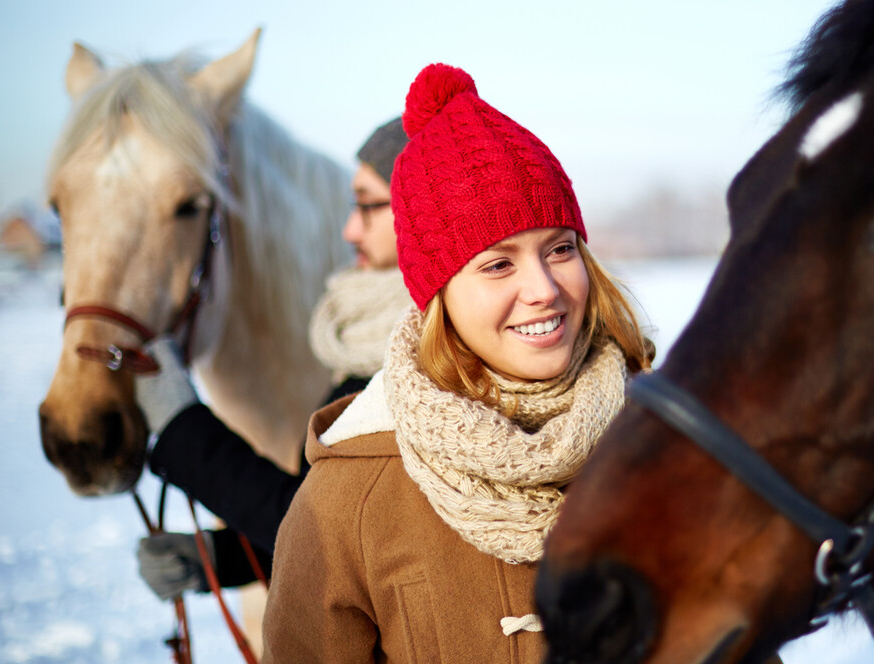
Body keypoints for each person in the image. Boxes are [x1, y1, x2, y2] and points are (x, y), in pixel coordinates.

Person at [261, 63, 653, 664]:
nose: (544, 289)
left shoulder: (665, 445)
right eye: (498, 264)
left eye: (560, 249)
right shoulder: (347, 498)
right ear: (436, 294)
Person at [133, 117, 413, 599]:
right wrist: (215, 559)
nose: (349, 228)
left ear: (423, 209)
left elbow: (328, 536)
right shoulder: (370, 338)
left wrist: (182, 425)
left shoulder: (416, 359)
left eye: (368, 205)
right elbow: (347, 521)